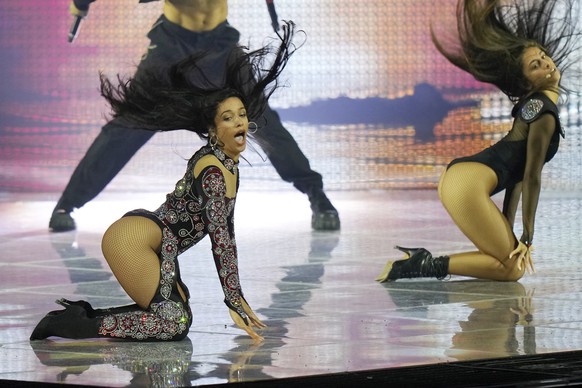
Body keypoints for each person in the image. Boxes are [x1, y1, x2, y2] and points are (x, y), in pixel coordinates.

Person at [30, 22, 299, 342]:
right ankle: (62, 325)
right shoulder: (213, 170)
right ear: (213, 130)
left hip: (155, 244)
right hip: (134, 241)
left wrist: (177, 276)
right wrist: (234, 299)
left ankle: (83, 316)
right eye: (228, 117)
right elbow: (221, 239)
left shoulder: (228, 166)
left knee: (172, 311)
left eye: (241, 114)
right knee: (175, 323)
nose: (239, 121)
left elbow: (212, 230)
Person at [49, 0, 340, 232]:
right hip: (172, 44)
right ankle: (67, 205)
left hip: (219, 44)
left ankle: (316, 195)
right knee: (129, 123)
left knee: (261, 119)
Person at [376, 0, 581, 282]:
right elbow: (532, 176)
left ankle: (420, 263)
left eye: (544, 56)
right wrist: (527, 238)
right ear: (527, 83)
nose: (547, 62)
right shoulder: (543, 112)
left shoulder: (537, 105)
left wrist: (507, 228)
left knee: (510, 266)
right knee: (513, 269)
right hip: (466, 185)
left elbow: (519, 175)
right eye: (536, 65)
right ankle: (423, 264)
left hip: (461, 179)